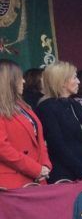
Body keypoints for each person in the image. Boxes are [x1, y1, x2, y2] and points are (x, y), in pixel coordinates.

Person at [37, 61, 82, 182]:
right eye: (74, 78)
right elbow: (57, 145)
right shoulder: (46, 108)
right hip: (64, 174)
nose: (78, 82)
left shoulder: (75, 104)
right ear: (62, 82)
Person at [0, 59, 51, 189]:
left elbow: (39, 139)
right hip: (14, 181)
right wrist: (35, 169)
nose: (23, 81)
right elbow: (3, 148)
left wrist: (45, 165)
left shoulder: (23, 105)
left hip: (37, 178)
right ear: (8, 81)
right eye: (19, 78)